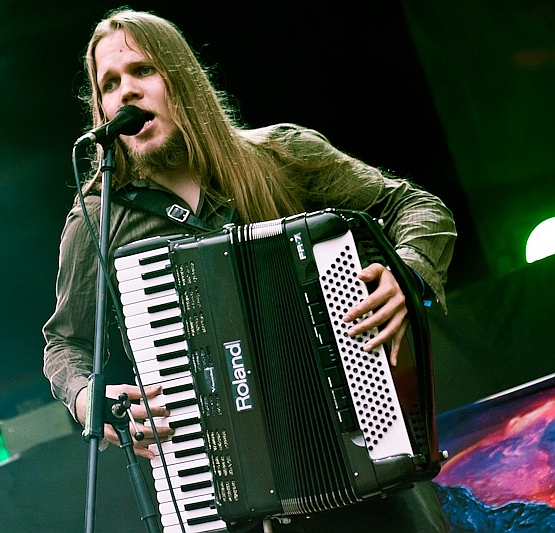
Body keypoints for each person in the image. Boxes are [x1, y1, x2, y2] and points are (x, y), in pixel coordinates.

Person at [43, 8, 456, 532]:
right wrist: (87, 398)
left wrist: (407, 275)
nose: (126, 91)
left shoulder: (282, 155)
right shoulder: (97, 222)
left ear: (184, 81)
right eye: (109, 83)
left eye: (142, 71)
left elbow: (416, 208)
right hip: (228, 505)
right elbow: (65, 344)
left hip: (367, 472)